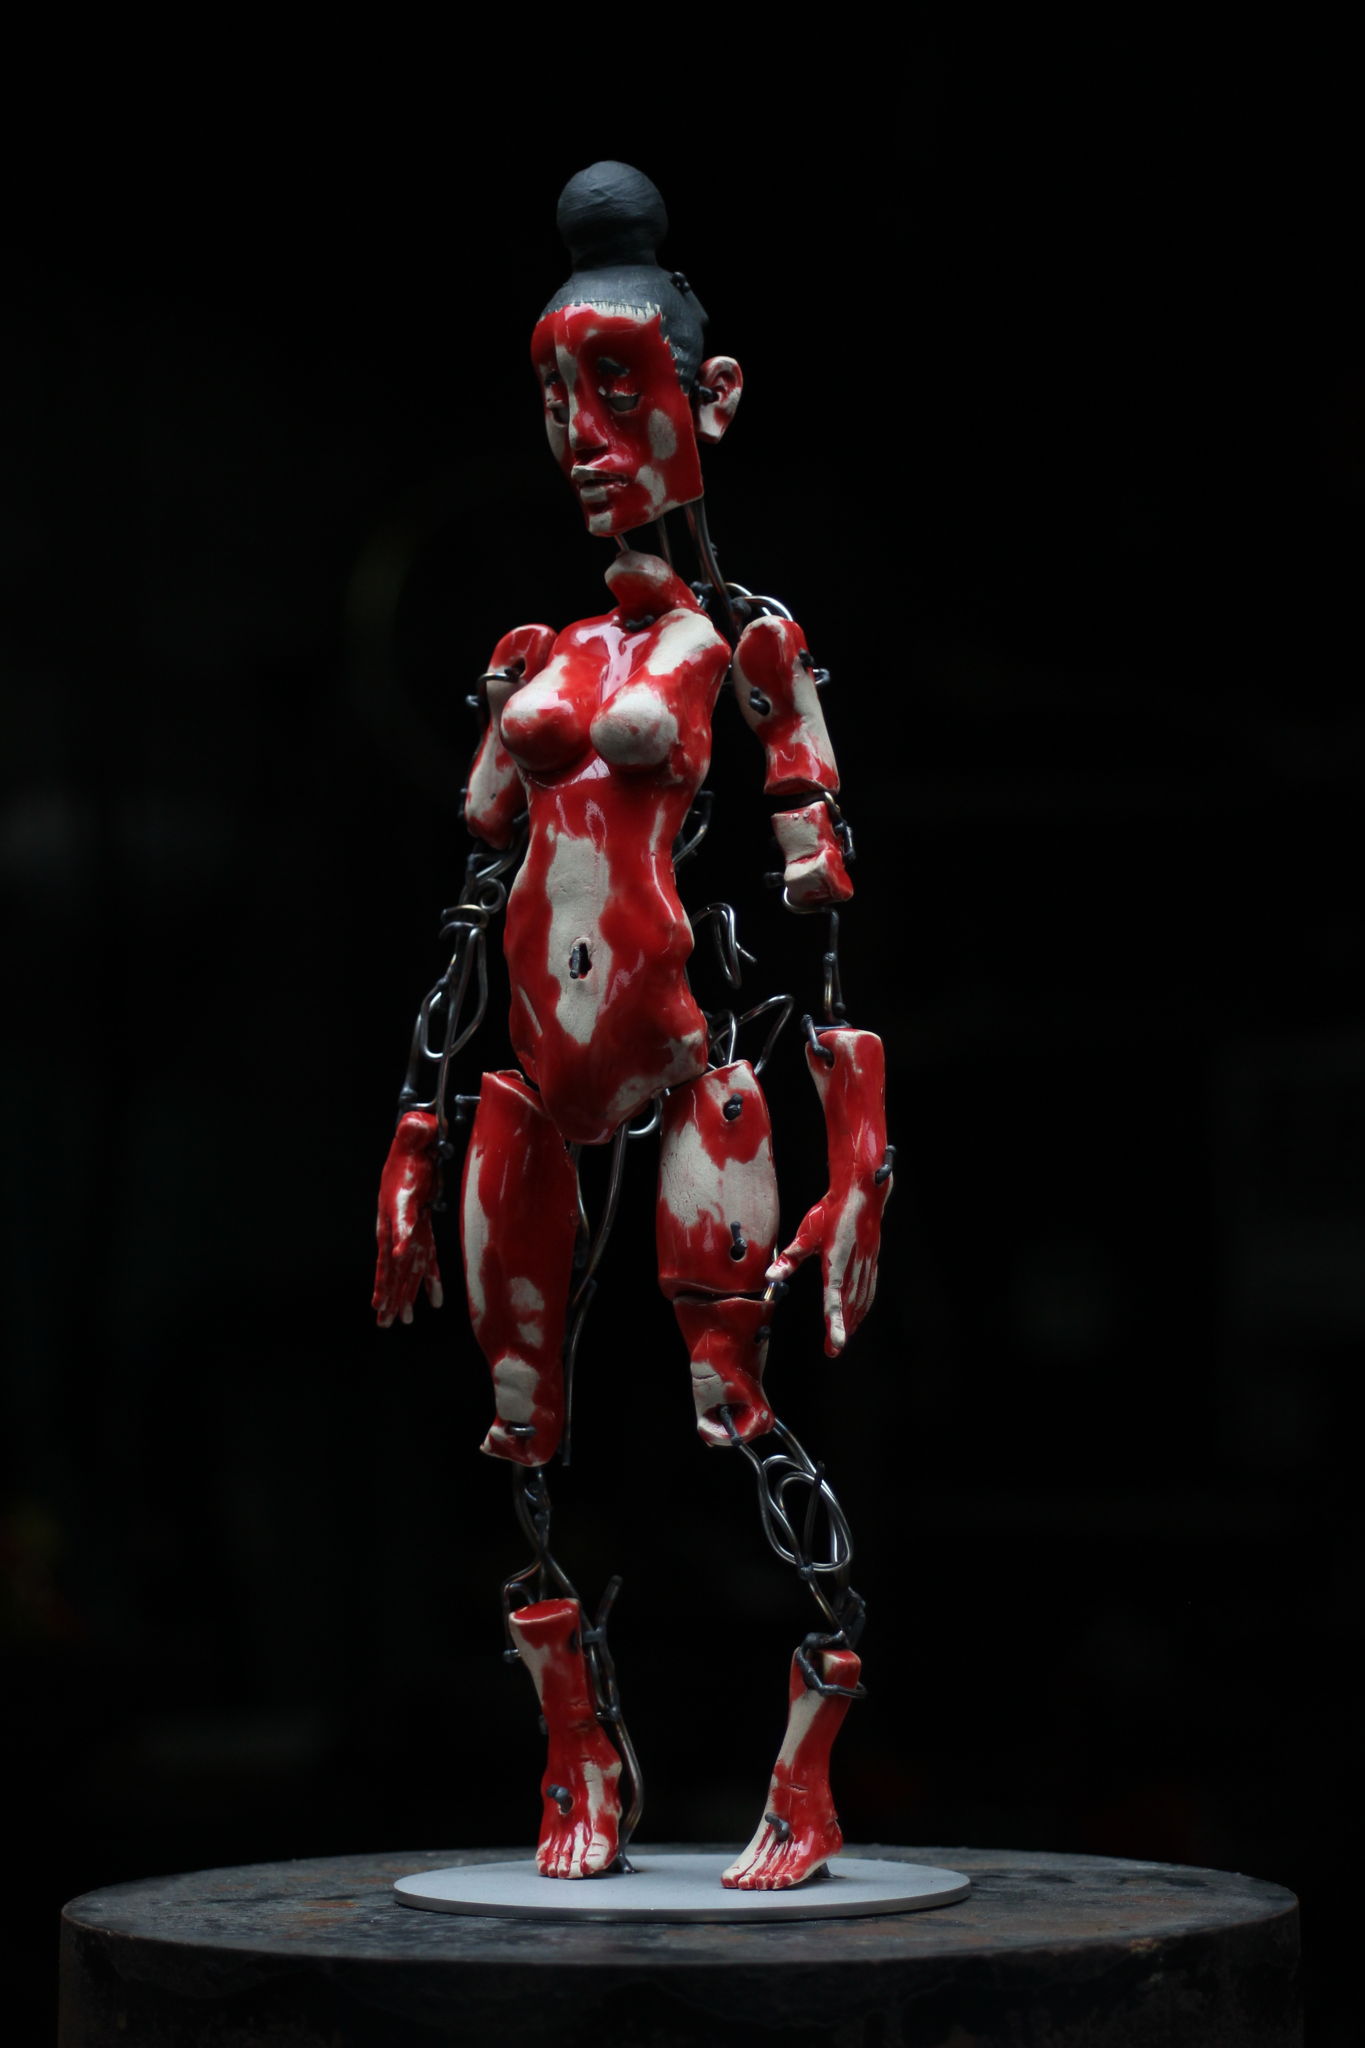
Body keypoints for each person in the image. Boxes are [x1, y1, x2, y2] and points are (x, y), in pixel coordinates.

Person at [372, 162, 892, 1890]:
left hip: (686, 1068)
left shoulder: (749, 648)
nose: (582, 437)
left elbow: (823, 928)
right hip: (528, 1082)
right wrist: (417, 1126)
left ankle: (805, 1774)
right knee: (517, 1421)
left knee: (729, 1405)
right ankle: (574, 1748)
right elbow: (476, 897)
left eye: (616, 387)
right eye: (555, 399)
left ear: (708, 397)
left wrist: (858, 1161)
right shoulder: (537, 650)